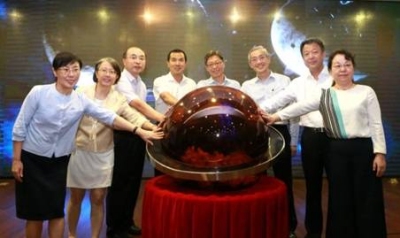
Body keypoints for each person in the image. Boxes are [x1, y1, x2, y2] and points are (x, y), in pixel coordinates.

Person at [11, 52, 154, 238]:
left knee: (57, 210)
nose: (71, 74)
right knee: (35, 214)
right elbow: (20, 126)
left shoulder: (82, 99)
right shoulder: (41, 92)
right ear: (55, 71)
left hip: (61, 161)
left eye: (75, 69)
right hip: (35, 159)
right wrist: (16, 159)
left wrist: (141, 130)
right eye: (65, 69)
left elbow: (110, 117)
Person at [264, 49, 387, 238]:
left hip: (364, 151)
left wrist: (380, 153)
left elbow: (376, 123)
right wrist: (275, 116)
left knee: (366, 197)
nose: (343, 69)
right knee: (339, 198)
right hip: (336, 151)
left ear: (353, 68)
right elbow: (299, 107)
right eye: (337, 66)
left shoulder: (366, 92)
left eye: (347, 65)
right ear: (331, 71)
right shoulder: (325, 94)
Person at [66, 57, 163, 238]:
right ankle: (71, 234)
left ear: (117, 77)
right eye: (104, 70)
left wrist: (154, 128)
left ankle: (95, 236)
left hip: (104, 153)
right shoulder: (80, 93)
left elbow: (134, 117)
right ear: (96, 73)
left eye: (112, 72)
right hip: (80, 151)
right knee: (76, 197)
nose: (107, 75)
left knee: (98, 198)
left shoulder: (118, 98)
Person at [260, 38, 332, 238]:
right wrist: (257, 109)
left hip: (335, 138)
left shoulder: (335, 77)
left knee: (338, 187)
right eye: (307, 53)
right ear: (302, 57)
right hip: (310, 137)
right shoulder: (298, 83)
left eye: (315, 52)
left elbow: (314, 103)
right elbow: (278, 100)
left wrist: (278, 116)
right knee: (312, 188)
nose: (311, 56)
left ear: (323, 53)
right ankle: (313, 232)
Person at [107, 47, 165, 238]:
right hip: (123, 136)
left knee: (133, 182)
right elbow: (137, 105)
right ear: (124, 61)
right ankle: (114, 228)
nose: (138, 61)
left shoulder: (139, 83)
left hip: (139, 135)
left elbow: (140, 112)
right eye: (133, 57)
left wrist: (150, 128)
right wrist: (163, 119)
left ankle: (127, 222)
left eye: (141, 58)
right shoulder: (121, 80)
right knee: (120, 183)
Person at [241, 45, 299, 238]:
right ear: (250, 64)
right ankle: (260, 226)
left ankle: (289, 227)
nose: (259, 61)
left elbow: (293, 113)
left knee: (284, 181)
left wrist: (293, 141)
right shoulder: (246, 86)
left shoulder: (285, 81)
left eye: (262, 57)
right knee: (259, 181)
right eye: (254, 59)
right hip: (257, 135)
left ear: (269, 59)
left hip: (281, 131)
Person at [153, 48, 197, 114]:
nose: (177, 63)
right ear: (168, 63)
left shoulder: (192, 84)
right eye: (173, 60)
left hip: (185, 123)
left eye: (181, 60)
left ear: (185, 64)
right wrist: (186, 108)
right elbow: (166, 97)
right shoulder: (160, 81)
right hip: (164, 122)